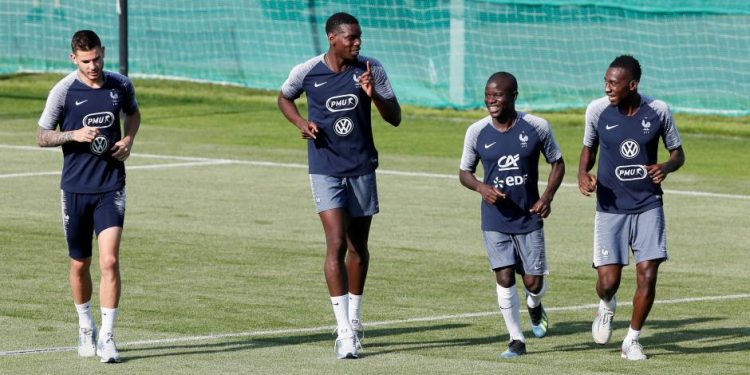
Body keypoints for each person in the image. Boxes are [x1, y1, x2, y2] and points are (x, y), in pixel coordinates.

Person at [277, 12, 401, 359]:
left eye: (359, 37)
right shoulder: (307, 71)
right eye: (351, 38)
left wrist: (374, 95)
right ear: (332, 38)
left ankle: (356, 318)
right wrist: (301, 122)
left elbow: (395, 118)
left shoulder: (371, 68)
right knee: (335, 243)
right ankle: (344, 332)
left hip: (361, 167)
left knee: (357, 245)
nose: (358, 43)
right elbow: (284, 97)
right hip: (325, 168)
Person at [37, 30, 141, 363]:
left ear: (103, 52)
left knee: (110, 260)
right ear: (73, 59)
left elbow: (133, 113)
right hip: (75, 189)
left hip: (111, 186)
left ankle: (108, 338)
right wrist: (73, 134)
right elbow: (41, 136)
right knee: (80, 263)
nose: (93, 66)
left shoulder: (120, 85)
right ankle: (86, 326)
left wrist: (128, 140)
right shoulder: (64, 90)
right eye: (86, 61)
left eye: (97, 58)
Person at [578, 55, 685, 361]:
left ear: (632, 85)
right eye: (606, 81)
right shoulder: (597, 110)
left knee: (648, 273)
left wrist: (666, 166)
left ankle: (632, 341)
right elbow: (589, 148)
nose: (607, 87)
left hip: (649, 204)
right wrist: (583, 175)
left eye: (613, 83)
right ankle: (606, 306)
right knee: (608, 282)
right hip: (611, 207)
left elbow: (678, 154)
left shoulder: (659, 111)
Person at [459, 72, 565, 358]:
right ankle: (516, 339)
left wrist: (547, 197)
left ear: (513, 96)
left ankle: (535, 305)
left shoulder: (536, 127)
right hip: (494, 219)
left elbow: (557, 163)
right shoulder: (477, 131)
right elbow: (464, 173)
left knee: (533, 282)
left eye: (498, 95)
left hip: (529, 217)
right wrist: (482, 188)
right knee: (504, 276)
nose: (491, 100)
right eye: (488, 94)